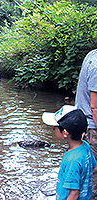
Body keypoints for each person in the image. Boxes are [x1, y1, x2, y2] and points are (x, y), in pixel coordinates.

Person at [42, 105, 97, 199]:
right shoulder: (85, 146)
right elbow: (94, 168)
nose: (53, 130)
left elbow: (74, 194)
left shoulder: (72, 160)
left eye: (55, 128)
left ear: (65, 133)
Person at [75, 48, 97, 198]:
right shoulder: (96, 66)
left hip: (84, 122)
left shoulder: (92, 54)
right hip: (92, 125)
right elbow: (95, 107)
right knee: (93, 174)